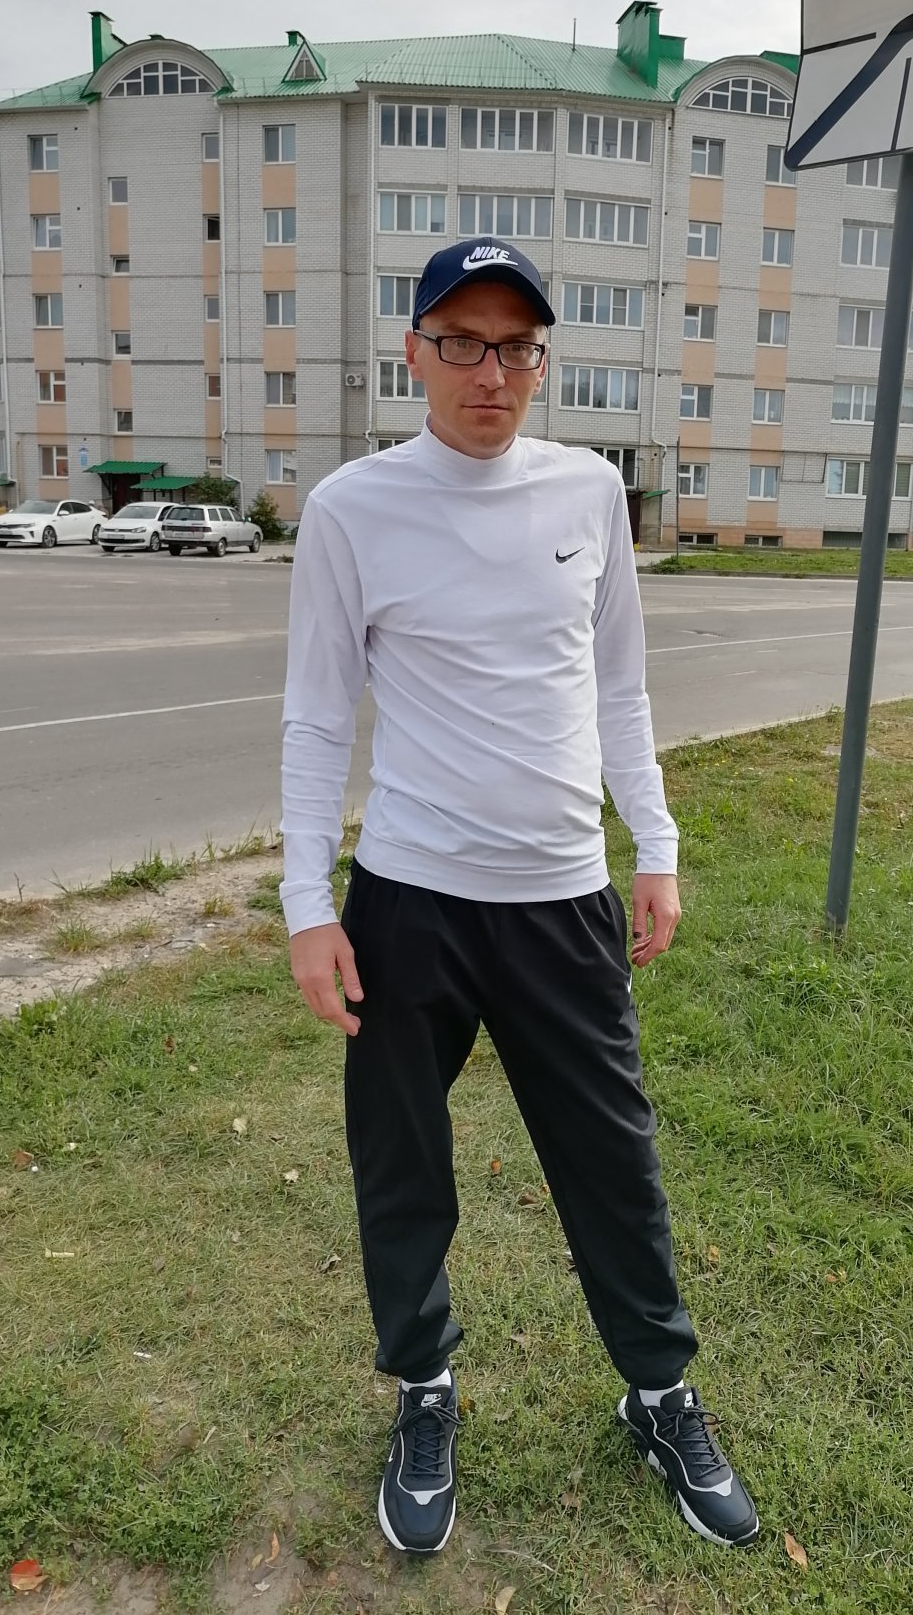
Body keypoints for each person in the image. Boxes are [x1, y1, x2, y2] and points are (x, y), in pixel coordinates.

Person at [280, 236, 759, 1554]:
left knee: (614, 1159)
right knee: (401, 1162)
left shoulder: (589, 492)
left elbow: (620, 689)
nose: (490, 372)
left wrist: (654, 842)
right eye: (462, 343)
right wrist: (306, 905)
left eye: (515, 347)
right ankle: (423, 1387)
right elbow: (317, 716)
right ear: (416, 353)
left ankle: (659, 1392)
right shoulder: (351, 511)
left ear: (542, 359)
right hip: (408, 902)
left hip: (562, 897)